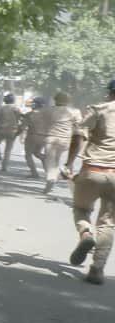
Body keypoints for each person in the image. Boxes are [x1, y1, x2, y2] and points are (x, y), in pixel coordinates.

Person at [64, 79, 115, 285]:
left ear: (110, 92)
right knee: (109, 222)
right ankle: (97, 269)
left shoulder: (100, 109)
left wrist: (68, 164)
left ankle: (85, 233)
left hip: (93, 170)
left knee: (81, 209)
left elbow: (78, 135)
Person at [41, 92, 82, 194]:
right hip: (65, 141)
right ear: (68, 101)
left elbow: (42, 123)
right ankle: (51, 182)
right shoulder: (75, 112)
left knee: (50, 161)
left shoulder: (48, 110)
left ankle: (51, 178)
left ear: (55, 100)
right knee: (57, 160)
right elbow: (79, 125)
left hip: (51, 139)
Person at [0, 93, 23, 171]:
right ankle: (4, 167)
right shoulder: (16, 108)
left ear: (5, 100)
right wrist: (19, 130)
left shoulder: (2, 108)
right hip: (13, 131)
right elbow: (20, 120)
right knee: (8, 149)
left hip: (2, 130)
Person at [21, 97, 49, 178]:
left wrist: (17, 134)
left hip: (32, 137)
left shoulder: (30, 114)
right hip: (43, 138)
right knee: (37, 153)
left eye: (33, 103)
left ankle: (34, 173)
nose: (31, 104)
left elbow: (22, 127)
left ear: (37, 104)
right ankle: (48, 172)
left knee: (28, 155)